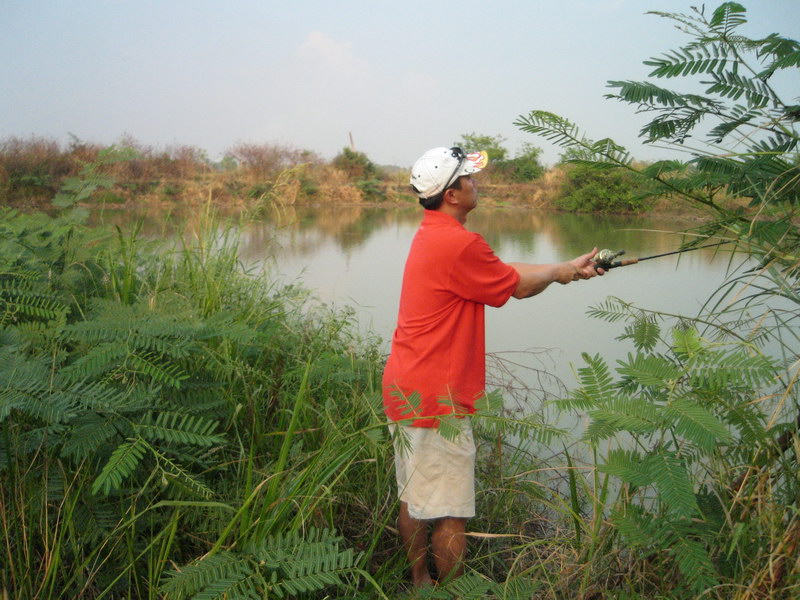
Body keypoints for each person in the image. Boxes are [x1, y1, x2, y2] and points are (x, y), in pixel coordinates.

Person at [382, 146, 603, 588]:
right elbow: (516, 287)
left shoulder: (433, 234)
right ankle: (451, 594)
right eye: (469, 178)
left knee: (413, 498)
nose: (476, 183)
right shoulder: (458, 242)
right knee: (450, 511)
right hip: (437, 399)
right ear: (452, 194)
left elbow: (501, 271)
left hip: (406, 386)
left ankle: (421, 584)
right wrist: (559, 274)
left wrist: (562, 267)